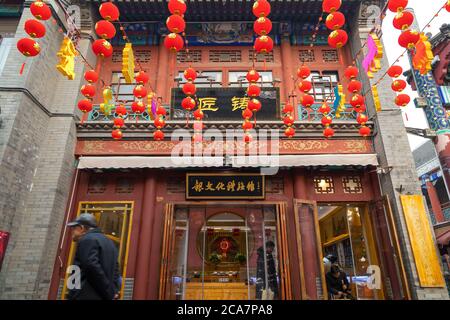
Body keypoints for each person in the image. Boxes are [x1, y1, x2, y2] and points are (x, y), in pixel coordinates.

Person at [66, 213, 121, 300]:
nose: (72, 231)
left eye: (74, 228)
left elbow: (91, 266)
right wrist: (113, 291)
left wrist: (108, 291)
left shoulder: (87, 239)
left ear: (82, 228)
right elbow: (116, 269)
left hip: (85, 295)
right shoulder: (110, 242)